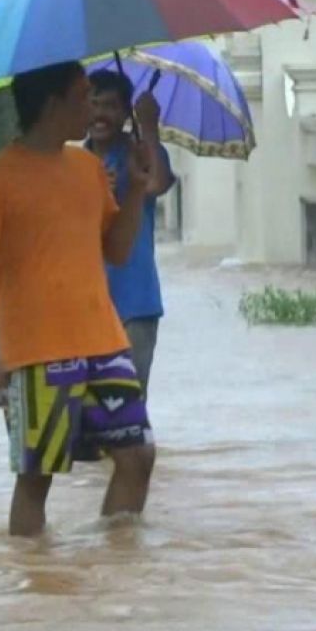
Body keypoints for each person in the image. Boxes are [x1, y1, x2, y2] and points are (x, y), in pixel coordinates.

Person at [0, 61, 158, 537]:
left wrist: (136, 190)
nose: (92, 106)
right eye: (83, 95)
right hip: (36, 353)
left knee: (138, 457)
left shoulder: (90, 168)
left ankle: (112, 575)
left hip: (104, 343)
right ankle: (36, 586)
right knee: (36, 477)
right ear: (53, 102)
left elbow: (118, 249)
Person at [87, 69, 176, 400]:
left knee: (128, 414)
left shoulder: (142, 154)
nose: (99, 114)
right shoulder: (75, 163)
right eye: (93, 104)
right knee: (91, 416)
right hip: (86, 305)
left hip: (136, 302)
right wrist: (96, 192)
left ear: (126, 113)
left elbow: (156, 184)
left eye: (110, 106)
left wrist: (149, 127)